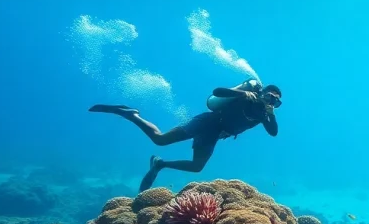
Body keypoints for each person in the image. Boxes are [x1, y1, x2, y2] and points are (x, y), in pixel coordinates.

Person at [90, 80, 282, 191]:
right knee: (160, 139)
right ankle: (132, 114)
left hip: (214, 134)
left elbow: (273, 132)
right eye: (269, 96)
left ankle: (160, 164)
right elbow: (217, 92)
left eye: (276, 101)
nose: (271, 101)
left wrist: (271, 114)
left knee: (196, 167)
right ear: (262, 92)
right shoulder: (247, 96)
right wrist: (242, 94)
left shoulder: (264, 115)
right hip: (207, 122)